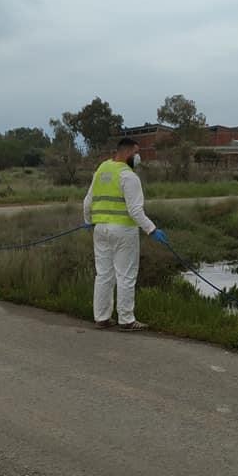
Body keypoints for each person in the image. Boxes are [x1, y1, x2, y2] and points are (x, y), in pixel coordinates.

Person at [83, 137, 168, 331]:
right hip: (123, 231)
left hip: (101, 230)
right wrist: (152, 230)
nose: (138, 157)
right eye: (137, 153)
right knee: (126, 276)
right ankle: (127, 320)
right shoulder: (129, 176)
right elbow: (135, 211)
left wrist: (88, 221)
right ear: (129, 152)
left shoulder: (102, 169)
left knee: (103, 274)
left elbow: (88, 201)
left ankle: (102, 318)